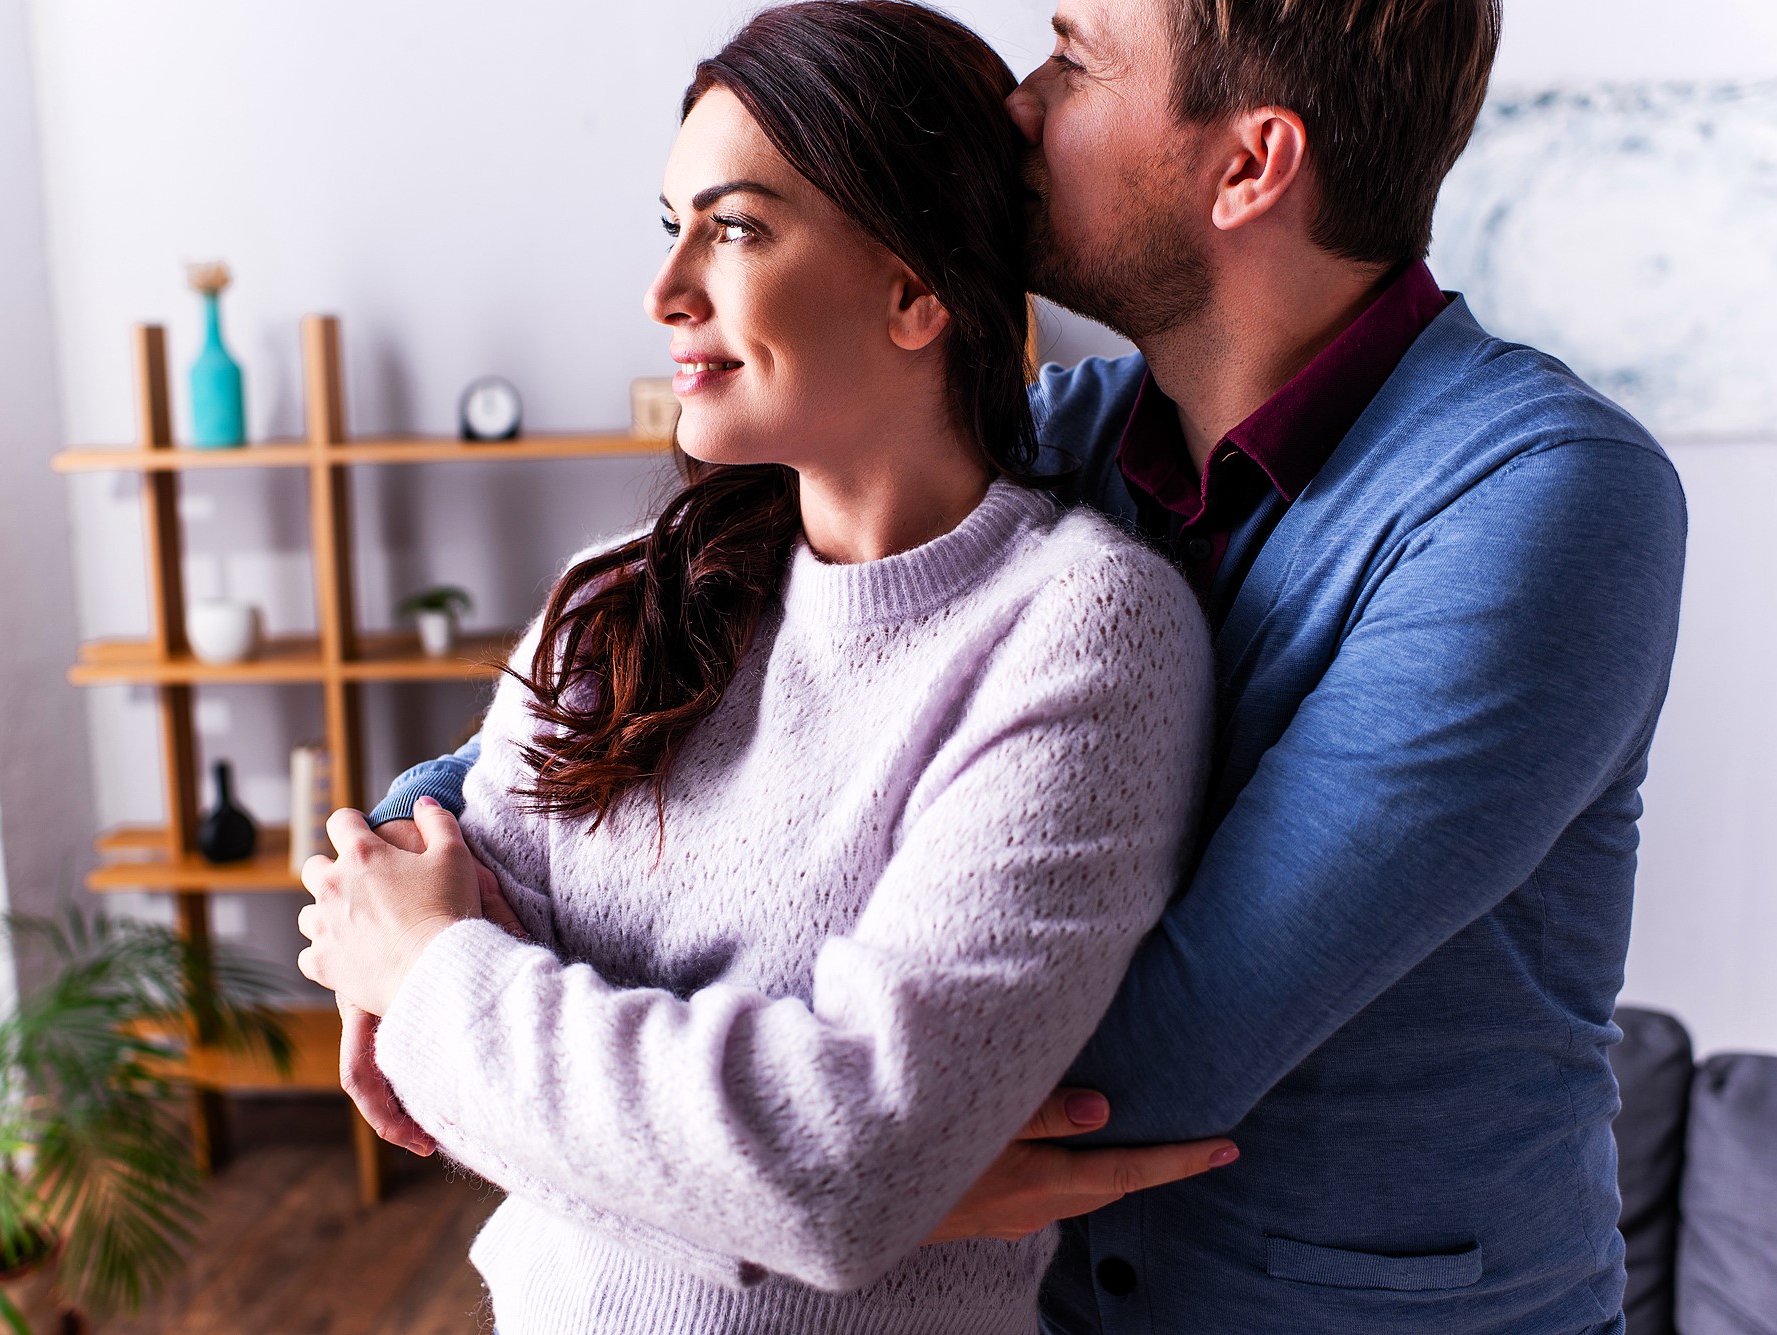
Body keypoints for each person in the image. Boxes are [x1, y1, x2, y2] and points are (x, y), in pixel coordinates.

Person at [341, 0, 1692, 1329]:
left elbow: (1151, 1050)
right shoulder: (1060, 438)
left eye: (1072, 60)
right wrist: (410, 863)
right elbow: (581, 727)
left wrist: (465, 1008)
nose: (1019, 106)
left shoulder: (1543, 499)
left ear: (1249, 166)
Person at [296, 4, 1218, 1332]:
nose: (666, 293)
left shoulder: (1081, 632)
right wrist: (754, 1175)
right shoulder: (614, 599)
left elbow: (834, 1170)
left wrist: (448, 988)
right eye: (669, 226)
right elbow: (431, 1093)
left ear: (916, 291)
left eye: (733, 229)